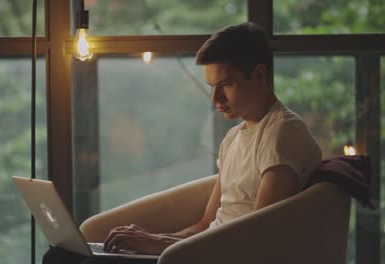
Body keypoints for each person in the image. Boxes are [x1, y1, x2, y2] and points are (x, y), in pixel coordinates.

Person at [102, 22, 322, 255]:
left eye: (226, 84)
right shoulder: (233, 137)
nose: (215, 98)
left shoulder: (283, 131)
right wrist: (156, 240)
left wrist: (163, 246)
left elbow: (258, 237)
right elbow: (206, 224)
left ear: (259, 75)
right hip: (211, 249)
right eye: (212, 86)